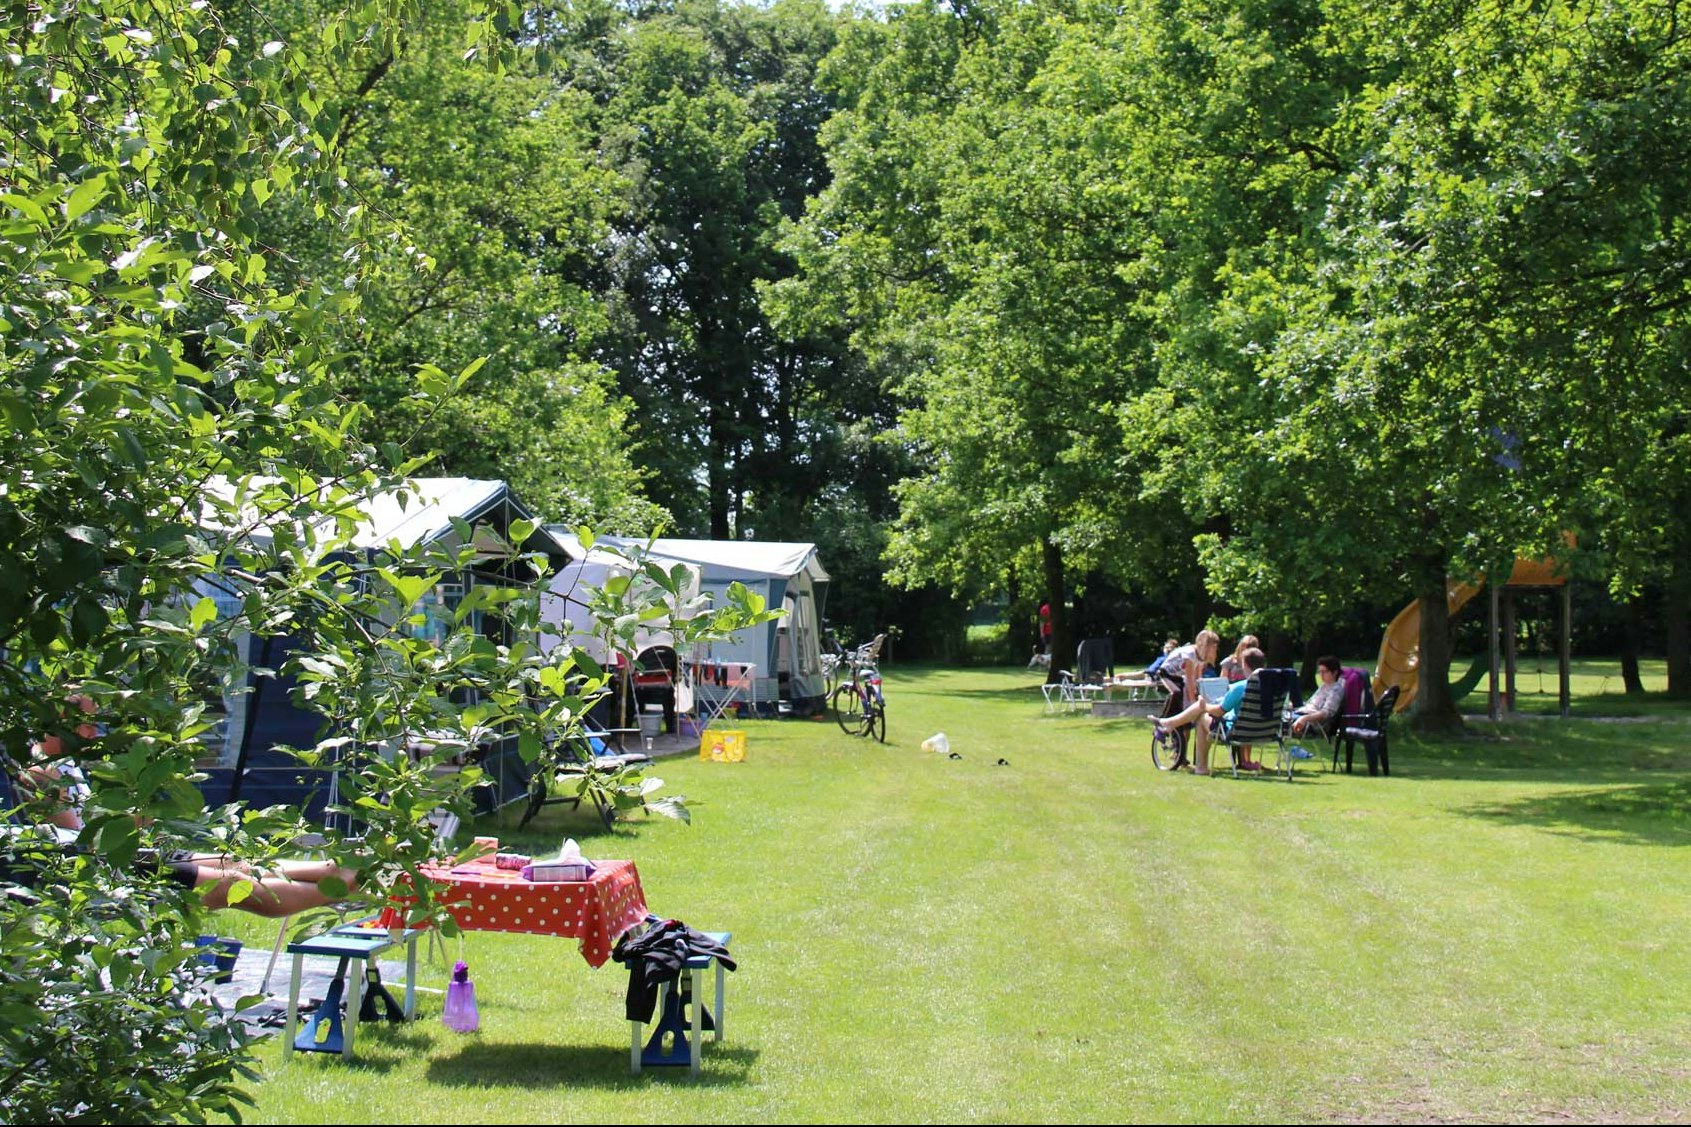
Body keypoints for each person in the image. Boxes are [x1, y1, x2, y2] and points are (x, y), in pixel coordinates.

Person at [12, 693, 360, 918]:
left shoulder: (64, 764)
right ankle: (348, 886)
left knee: (237, 862)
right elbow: (81, 849)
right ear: (59, 721)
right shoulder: (42, 772)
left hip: (129, 855)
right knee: (234, 885)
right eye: (87, 723)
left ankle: (339, 873)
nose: (93, 733)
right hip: (108, 871)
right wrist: (136, 818)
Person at [1153, 646, 1269, 772]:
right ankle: (1170, 723)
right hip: (1265, 731)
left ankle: (1201, 767)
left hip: (1237, 732)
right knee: (1203, 709)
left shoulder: (1240, 688)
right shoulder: (1272, 687)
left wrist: (1205, 706)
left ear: (1245, 665)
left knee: (1202, 716)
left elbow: (1219, 711)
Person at [1289, 655, 1347, 738]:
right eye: (1320, 671)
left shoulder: (1336, 690)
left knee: (1279, 721)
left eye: (1324, 671)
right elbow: (1311, 704)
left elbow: (1326, 713)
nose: (1321, 675)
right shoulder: (1324, 686)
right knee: (1279, 716)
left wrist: (1304, 718)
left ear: (1334, 672)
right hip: (1302, 714)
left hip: (1314, 724)